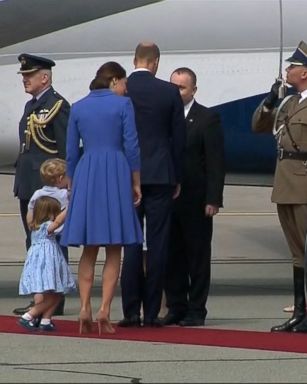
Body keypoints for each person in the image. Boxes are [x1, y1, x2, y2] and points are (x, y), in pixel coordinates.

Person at [60, 61, 143, 335]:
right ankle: (104, 309)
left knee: (89, 245)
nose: (125, 88)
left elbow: (71, 150)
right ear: (114, 81)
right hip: (116, 168)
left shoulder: (79, 106)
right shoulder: (123, 105)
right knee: (114, 245)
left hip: (87, 170)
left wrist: (72, 180)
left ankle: (84, 305)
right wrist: (136, 180)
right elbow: (131, 144)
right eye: (124, 83)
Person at [118, 42, 186, 328]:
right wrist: (177, 176)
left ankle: (130, 312)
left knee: (130, 244)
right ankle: (151, 313)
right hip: (160, 175)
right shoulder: (169, 92)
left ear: (134, 60)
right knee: (157, 244)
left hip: (126, 175)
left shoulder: (121, 90)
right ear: (156, 62)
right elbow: (178, 139)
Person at [160, 67, 225, 327]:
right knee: (172, 255)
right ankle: (176, 306)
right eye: (173, 86)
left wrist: (213, 199)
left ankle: (197, 309)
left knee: (197, 256)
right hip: (168, 198)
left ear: (193, 90)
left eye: (182, 88)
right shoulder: (163, 117)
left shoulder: (207, 118)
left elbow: (216, 162)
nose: (176, 92)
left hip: (196, 199)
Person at [252, 41, 307, 333]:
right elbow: (258, 126)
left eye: (293, 65)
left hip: (304, 183)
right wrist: (271, 100)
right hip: (286, 182)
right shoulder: (290, 102)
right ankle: (300, 312)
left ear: (306, 72)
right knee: (298, 252)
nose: (288, 69)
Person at [13, 53, 70, 315]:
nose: (24, 80)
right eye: (24, 76)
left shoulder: (57, 106)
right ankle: (41, 297)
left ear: (44, 77)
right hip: (29, 182)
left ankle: (52, 300)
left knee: (52, 243)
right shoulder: (32, 105)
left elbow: (64, 148)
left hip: (46, 187)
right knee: (34, 243)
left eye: (29, 75)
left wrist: (63, 184)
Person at [18, 196, 76, 332]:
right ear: (50, 214)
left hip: (38, 264)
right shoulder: (47, 227)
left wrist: (31, 205)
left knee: (51, 294)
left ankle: (46, 320)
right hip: (47, 264)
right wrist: (69, 207)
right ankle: (28, 316)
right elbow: (58, 221)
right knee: (53, 296)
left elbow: (29, 213)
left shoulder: (32, 225)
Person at [22, 158, 69, 317]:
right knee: (52, 285)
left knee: (39, 284)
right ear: (61, 179)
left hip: (34, 253)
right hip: (51, 250)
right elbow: (59, 220)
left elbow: (29, 212)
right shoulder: (63, 194)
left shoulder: (37, 194)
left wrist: (33, 221)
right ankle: (34, 315)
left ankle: (41, 314)